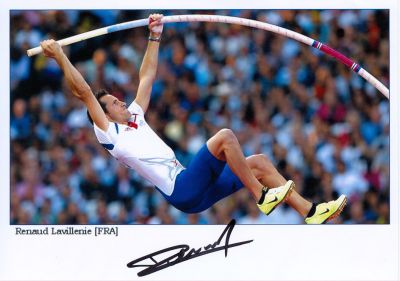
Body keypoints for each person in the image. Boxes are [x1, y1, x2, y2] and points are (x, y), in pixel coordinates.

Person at [39, 13, 347, 224]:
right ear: (103, 115)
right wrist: (60, 56)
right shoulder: (109, 133)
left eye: (118, 99)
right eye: (113, 103)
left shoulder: (135, 116)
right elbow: (83, 91)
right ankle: (262, 196)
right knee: (224, 137)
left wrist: (154, 36)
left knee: (261, 163)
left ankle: (311, 212)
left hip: (194, 191)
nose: (121, 102)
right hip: (182, 190)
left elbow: (146, 76)